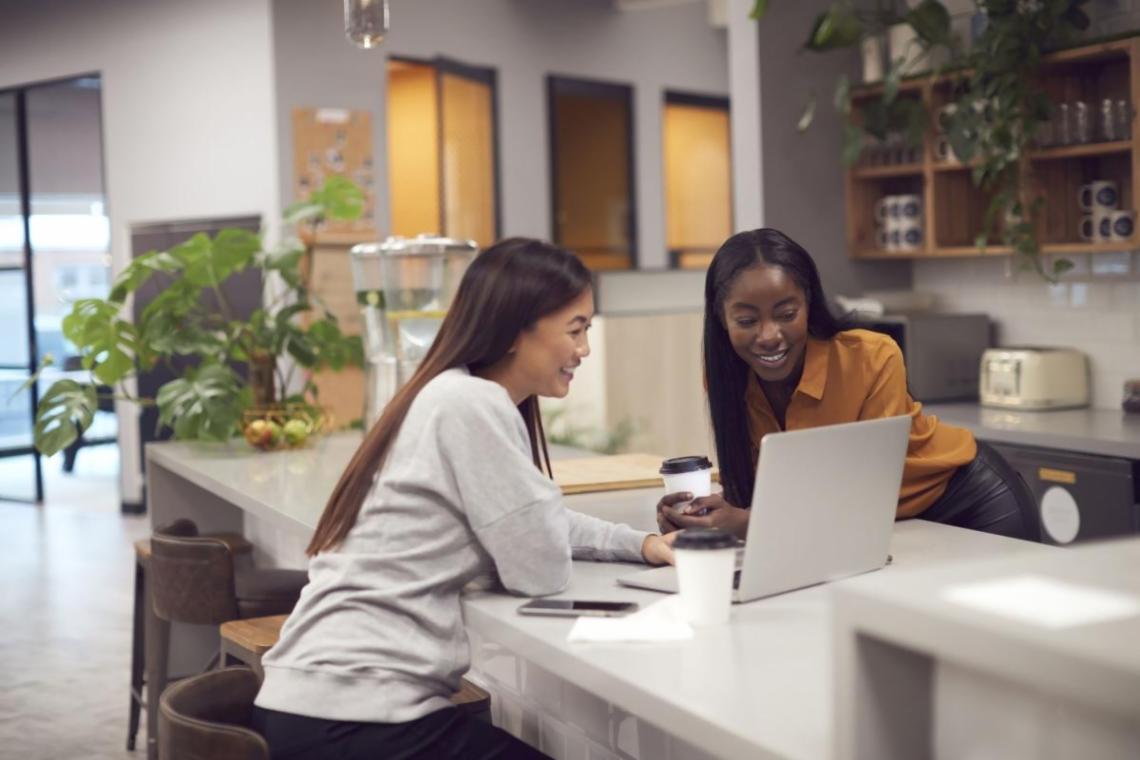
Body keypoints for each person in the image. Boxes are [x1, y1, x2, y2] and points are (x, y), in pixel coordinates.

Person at [253, 238, 676, 759]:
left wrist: (641, 545)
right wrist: (541, 488)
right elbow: (539, 570)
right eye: (577, 329)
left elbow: (528, 523)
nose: (584, 349)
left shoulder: (449, 392)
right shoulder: (473, 405)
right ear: (520, 328)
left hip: (322, 704)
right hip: (355, 721)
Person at [657, 228, 1040, 543]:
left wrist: (746, 522)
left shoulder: (871, 356)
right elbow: (781, 487)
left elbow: (863, 496)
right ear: (722, 321)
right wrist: (704, 515)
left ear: (808, 305)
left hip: (969, 503)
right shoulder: (728, 377)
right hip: (888, 527)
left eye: (786, 314)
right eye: (746, 321)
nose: (769, 335)